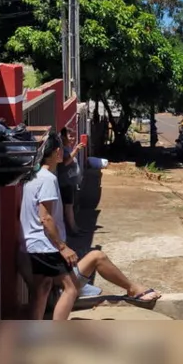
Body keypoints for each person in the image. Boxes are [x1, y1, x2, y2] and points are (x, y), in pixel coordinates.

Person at [21, 134, 160, 320]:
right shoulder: (47, 179)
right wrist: (62, 247)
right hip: (45, 246)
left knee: (41, 290)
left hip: (31, 247)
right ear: (56, 152)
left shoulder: (31, 177)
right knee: (70, 288)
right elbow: (45, 218)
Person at [57, 129, 84, 236]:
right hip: (65, 182)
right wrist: (76, 150)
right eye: (70, 136)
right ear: (63, 137)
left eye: (73, 136)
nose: (73, 139)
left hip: (70, 182)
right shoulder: (63, 149)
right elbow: (65, 163)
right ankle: (72, 229)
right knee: (68, 206)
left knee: (70, 206)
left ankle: (75, 227)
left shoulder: (67, 148)